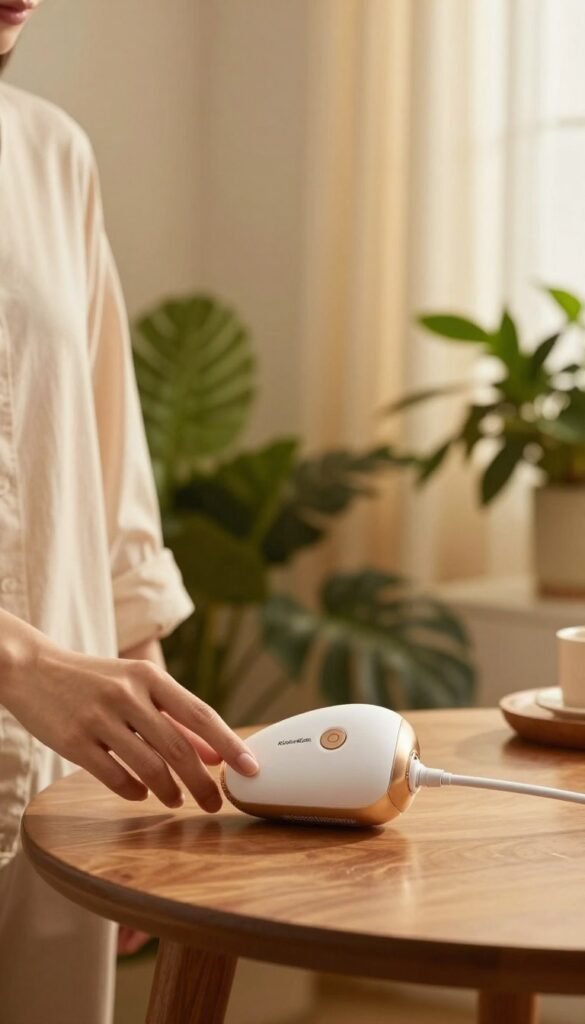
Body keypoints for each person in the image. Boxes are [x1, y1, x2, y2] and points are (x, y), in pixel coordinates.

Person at [0, 3, 260, 1022]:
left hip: (53, 787)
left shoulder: (52, 155)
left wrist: (152, 770)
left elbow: (109, 467)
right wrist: (22, 664)